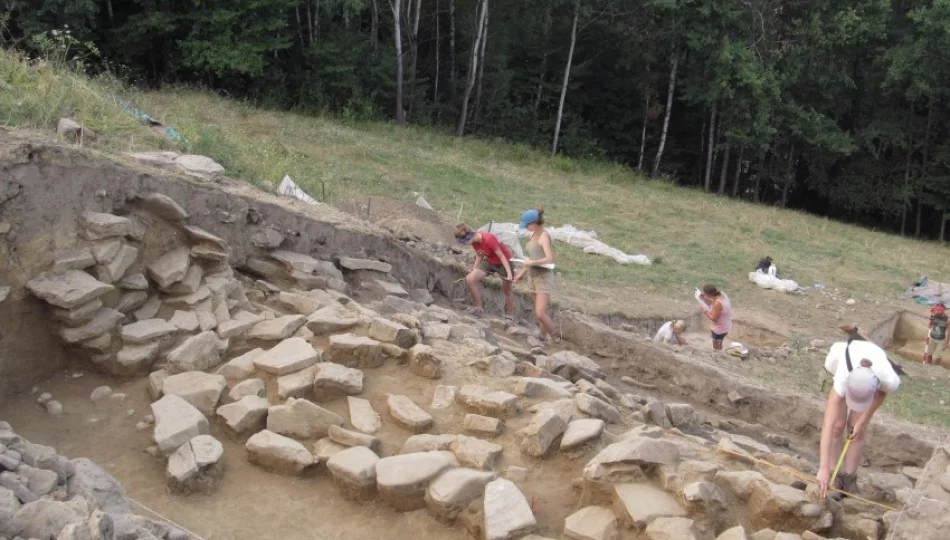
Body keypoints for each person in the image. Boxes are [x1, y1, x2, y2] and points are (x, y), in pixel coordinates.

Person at [816, 336, 901, 499]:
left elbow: (881, 395)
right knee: (837, 427)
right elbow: (828, 424)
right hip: (838, 363)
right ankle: (832, 475)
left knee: (856, 430)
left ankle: (848, 479)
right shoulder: (842, 378)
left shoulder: (889, 379)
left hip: (870, 369)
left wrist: (862, 421)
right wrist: (823, 468)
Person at [513, 208, 557, 342]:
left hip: (543, 278)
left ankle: (557, 338)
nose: (526, 228)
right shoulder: (532, 235)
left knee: (540, 312)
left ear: (534, 223)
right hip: (533, 277)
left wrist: (533, 262)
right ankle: (543, 336)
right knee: (539, 313)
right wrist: (521, 274)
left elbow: (549, 258)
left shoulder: (544, 236)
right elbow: (531, 259)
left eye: (527, 225)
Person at [454, 224, 514, 319]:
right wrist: (474, 268)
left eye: (464, 242)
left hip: (504, 263)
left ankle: (509, 315)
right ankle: (478, 307)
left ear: (469, 237)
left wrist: (509, 273)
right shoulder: (475, 241)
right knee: (470, 279)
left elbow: (502, 256)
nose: (463, 244)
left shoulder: (488, 239)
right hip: (490, 261)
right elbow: (480, 255)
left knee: (507, 290)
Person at [699, 284, 732, 350]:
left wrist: (705, 311)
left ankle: (717, 355)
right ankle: (720, 349)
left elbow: (713, 318)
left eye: (705, 293)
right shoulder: (721, 294)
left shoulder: (717, 303)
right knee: (720, 341)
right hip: (726, 325)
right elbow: (712, 302)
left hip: (719, 329)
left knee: (715, 345)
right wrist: (704, 298)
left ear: (708, 294)